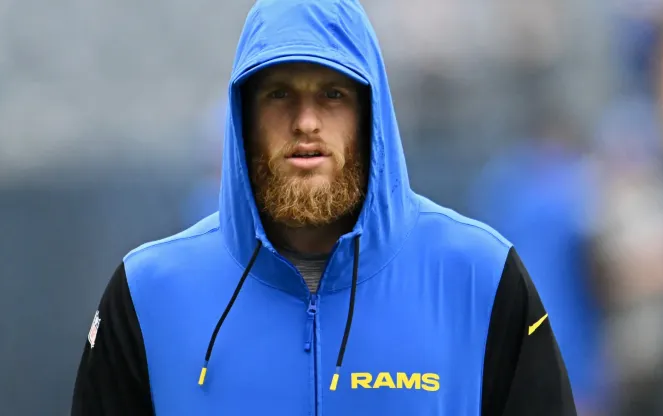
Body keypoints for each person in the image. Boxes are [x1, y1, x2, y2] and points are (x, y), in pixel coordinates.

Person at [70, 0, 576, 414]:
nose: (306, 121)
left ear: (369, 113)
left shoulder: (480, 277)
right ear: (242, 116)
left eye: (332, 94)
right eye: (279, 94)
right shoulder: (146, 294)